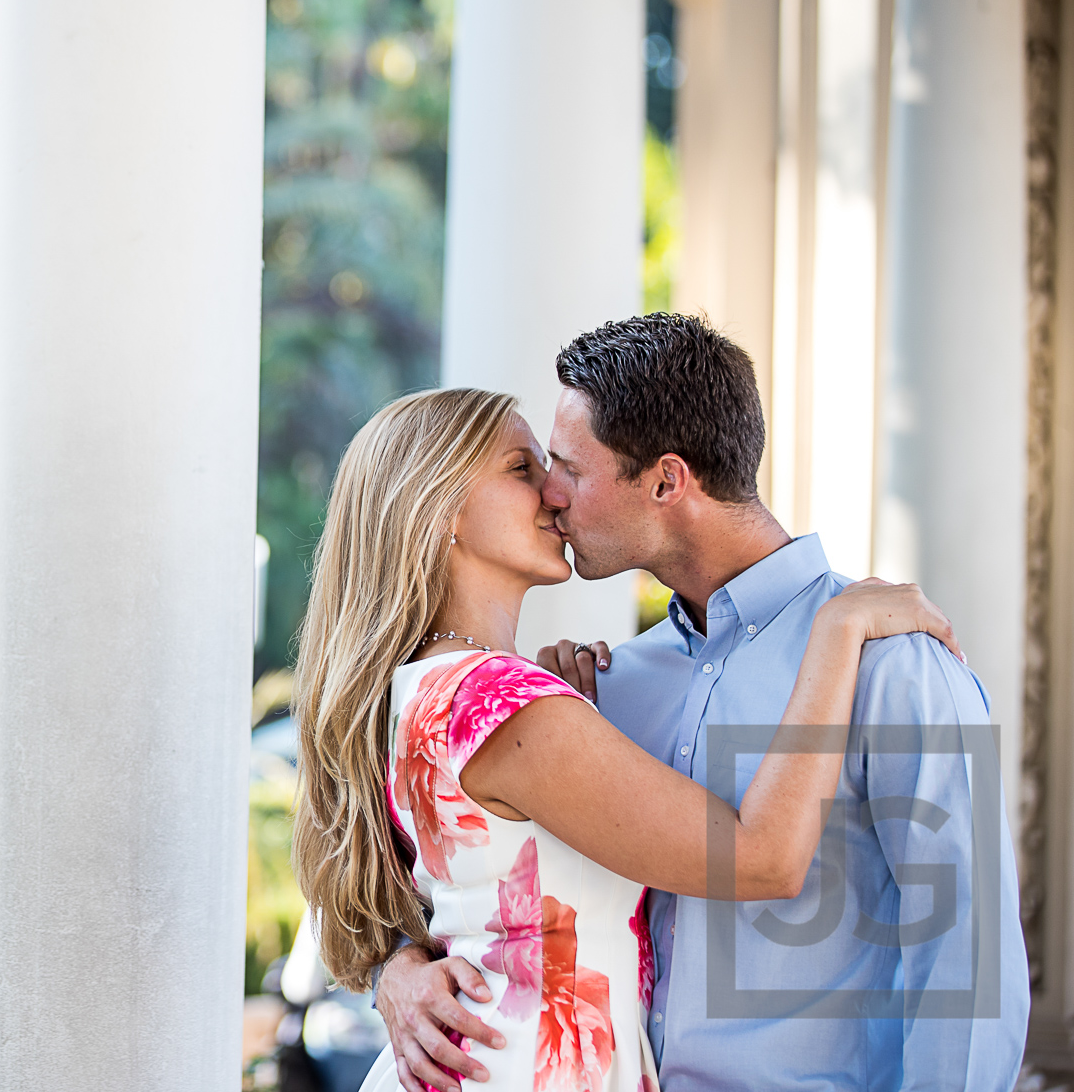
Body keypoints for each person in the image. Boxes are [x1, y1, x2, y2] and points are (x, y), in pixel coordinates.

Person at [368, 314, 1029, 1092]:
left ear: (666, 481)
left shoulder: (897, 663)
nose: (552, 491)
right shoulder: (601, 689)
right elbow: (468, 883)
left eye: (570, 469)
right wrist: (396, 971)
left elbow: (970, 966)